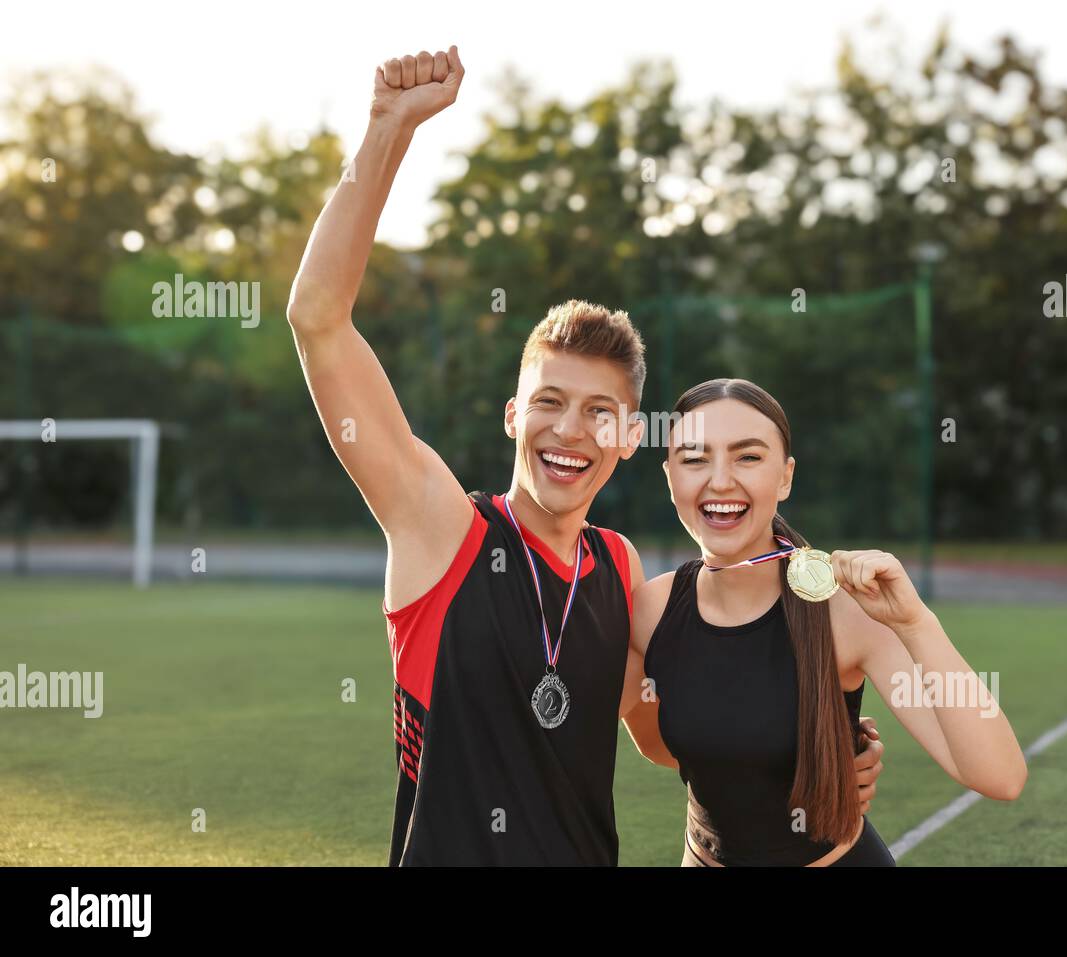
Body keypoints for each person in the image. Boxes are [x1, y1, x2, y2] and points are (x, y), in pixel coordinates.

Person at [285, 47, 886, 865]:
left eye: (600, 412)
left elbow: (666, 735)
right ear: (512, 416)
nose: (571, 431)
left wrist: (820, 739)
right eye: (549, 403)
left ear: (629, 439)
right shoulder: (440, 526)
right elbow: (319, 318)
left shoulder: (619, 569)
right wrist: (388, 129)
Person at [625, 378, 1029, 866]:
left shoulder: (845, 611)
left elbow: (999, 775)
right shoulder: (651, 610)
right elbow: (666, 749)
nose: (720, 480)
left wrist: (916, 623)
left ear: (785, 477)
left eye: (748, 457)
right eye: (694, 459)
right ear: (671, 478)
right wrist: (811, 751)